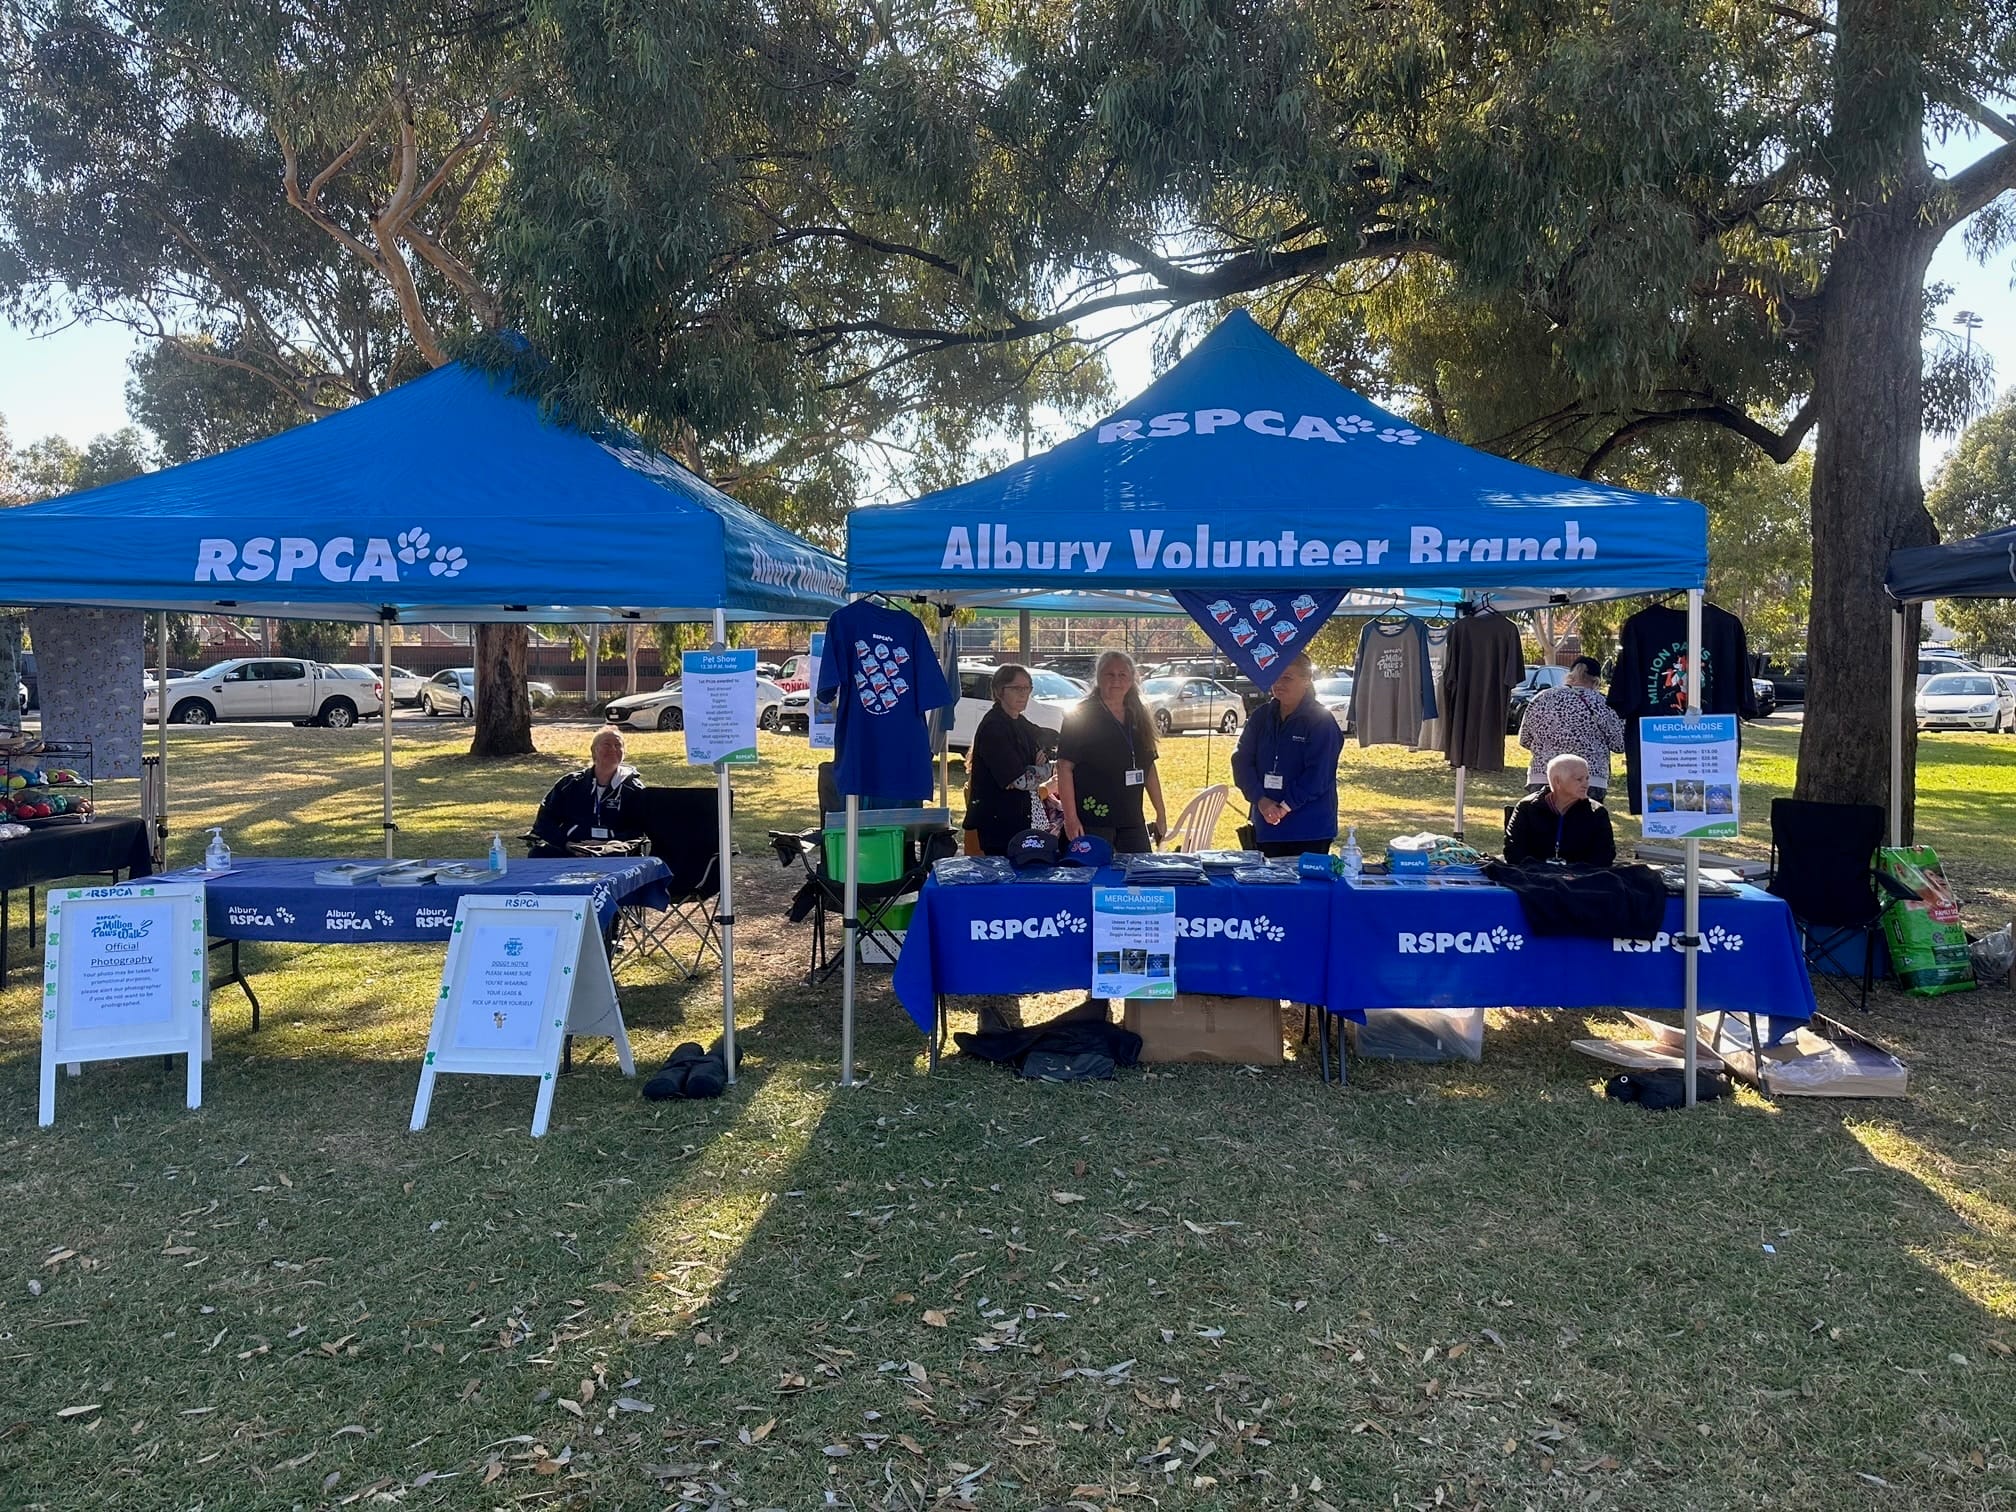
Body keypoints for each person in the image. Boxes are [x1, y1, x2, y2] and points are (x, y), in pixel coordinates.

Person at [1055, 650, 1168, 854]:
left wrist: (1161, 812)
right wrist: (1071, 819)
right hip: (1092, 821)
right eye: (1109, 674)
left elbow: (1149, 766)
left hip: (1131, 820)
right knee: (1095, 880)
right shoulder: (1082, 714)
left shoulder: (1138, 714)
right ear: (1098, 677)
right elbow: (1064, 767)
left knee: (1137, 878)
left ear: (1132, 678)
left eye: (1122, 674)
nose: (1116, 680)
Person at [1231, 653, 1344, 857]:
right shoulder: (1261, 717)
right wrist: (1261, 800)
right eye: (1275, 676)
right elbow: (1241, 761)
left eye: (1287, 678)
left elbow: (1319, 774)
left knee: (1306, 889)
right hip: (1267, 826)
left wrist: (1285, 807)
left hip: (1309, 830)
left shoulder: (1321, 721)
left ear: (1306, 680)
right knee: (1268, 888)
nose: (1279, 683)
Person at [964, 663, 1061, 856]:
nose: (1023, 693)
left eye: (1027, 688)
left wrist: (1034, 767)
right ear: (999, 691)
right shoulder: (994, 727)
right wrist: (1044, 771)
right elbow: (1018, 780)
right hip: (998, 825)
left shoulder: (1019, 721)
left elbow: (1050, 740)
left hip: (1020, 819)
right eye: (1017, 688)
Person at [1519, 656, 1627, 803]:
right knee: (1583, 825)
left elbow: (1524, 739)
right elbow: (1619, 744)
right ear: (1596, 681)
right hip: (1589, 780)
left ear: (1570, 675)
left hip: (1544, 777)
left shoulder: (1542, 698)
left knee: (1543, 825)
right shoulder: (1603, 704)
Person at [530, 728, 647, 856]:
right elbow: (544, 822)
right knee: (538, 853)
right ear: (593, 750)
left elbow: (639, 830)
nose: (613, 749)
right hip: (572, 849)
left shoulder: (634, 789)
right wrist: (566, 844)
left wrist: (608, 844)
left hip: (613, 851)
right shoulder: (570, 784)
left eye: (618, 745)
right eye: (607, 744)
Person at [1503, 753, 1617, 866]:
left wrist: (1573, 872)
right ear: (1558, 782)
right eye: (1579, 779)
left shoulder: (1596, 812)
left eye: (1587, 778)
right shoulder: (1527, 808)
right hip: (1534, 876)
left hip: (1580, 878)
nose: (1586, 784)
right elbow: (1514, 852)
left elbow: (1604, 856)